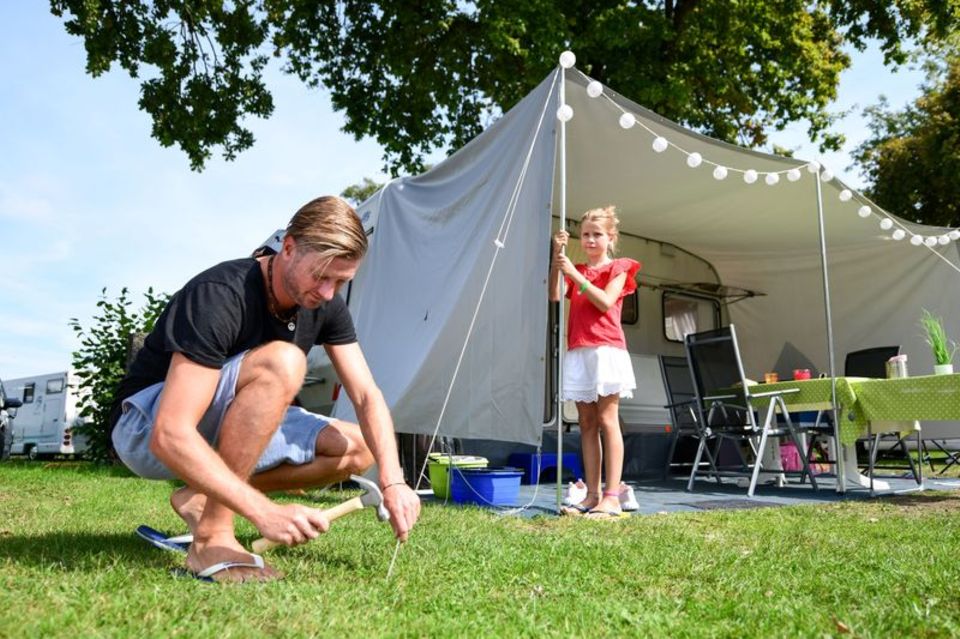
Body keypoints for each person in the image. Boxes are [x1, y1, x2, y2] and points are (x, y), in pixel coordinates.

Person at [111, 195, 421, 582]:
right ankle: (211, 538)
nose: (328, 293)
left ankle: (204, 496)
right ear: (288, 248)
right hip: (146, 427)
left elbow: (365, 395)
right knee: (284, 361)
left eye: (342, 282)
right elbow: (169, 434)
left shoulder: (325, 304)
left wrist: (393, 480)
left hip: (223, 422)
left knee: (357, 449)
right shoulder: (221, 294)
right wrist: (264, 511)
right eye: (322, 275)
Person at [549, 206, 641, 520]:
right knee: (586, 424)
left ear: (610, 237)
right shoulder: (575, 268)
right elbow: (554, 295)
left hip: (606, 350)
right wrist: (557, 258)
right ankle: (592, 494)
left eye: (597, 234)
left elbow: (604, 301)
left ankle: (612, 497)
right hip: (579, 351)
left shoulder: (619, 267)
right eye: (585, 234)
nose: (589, 240)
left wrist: (574, 274)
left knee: (607, 420)